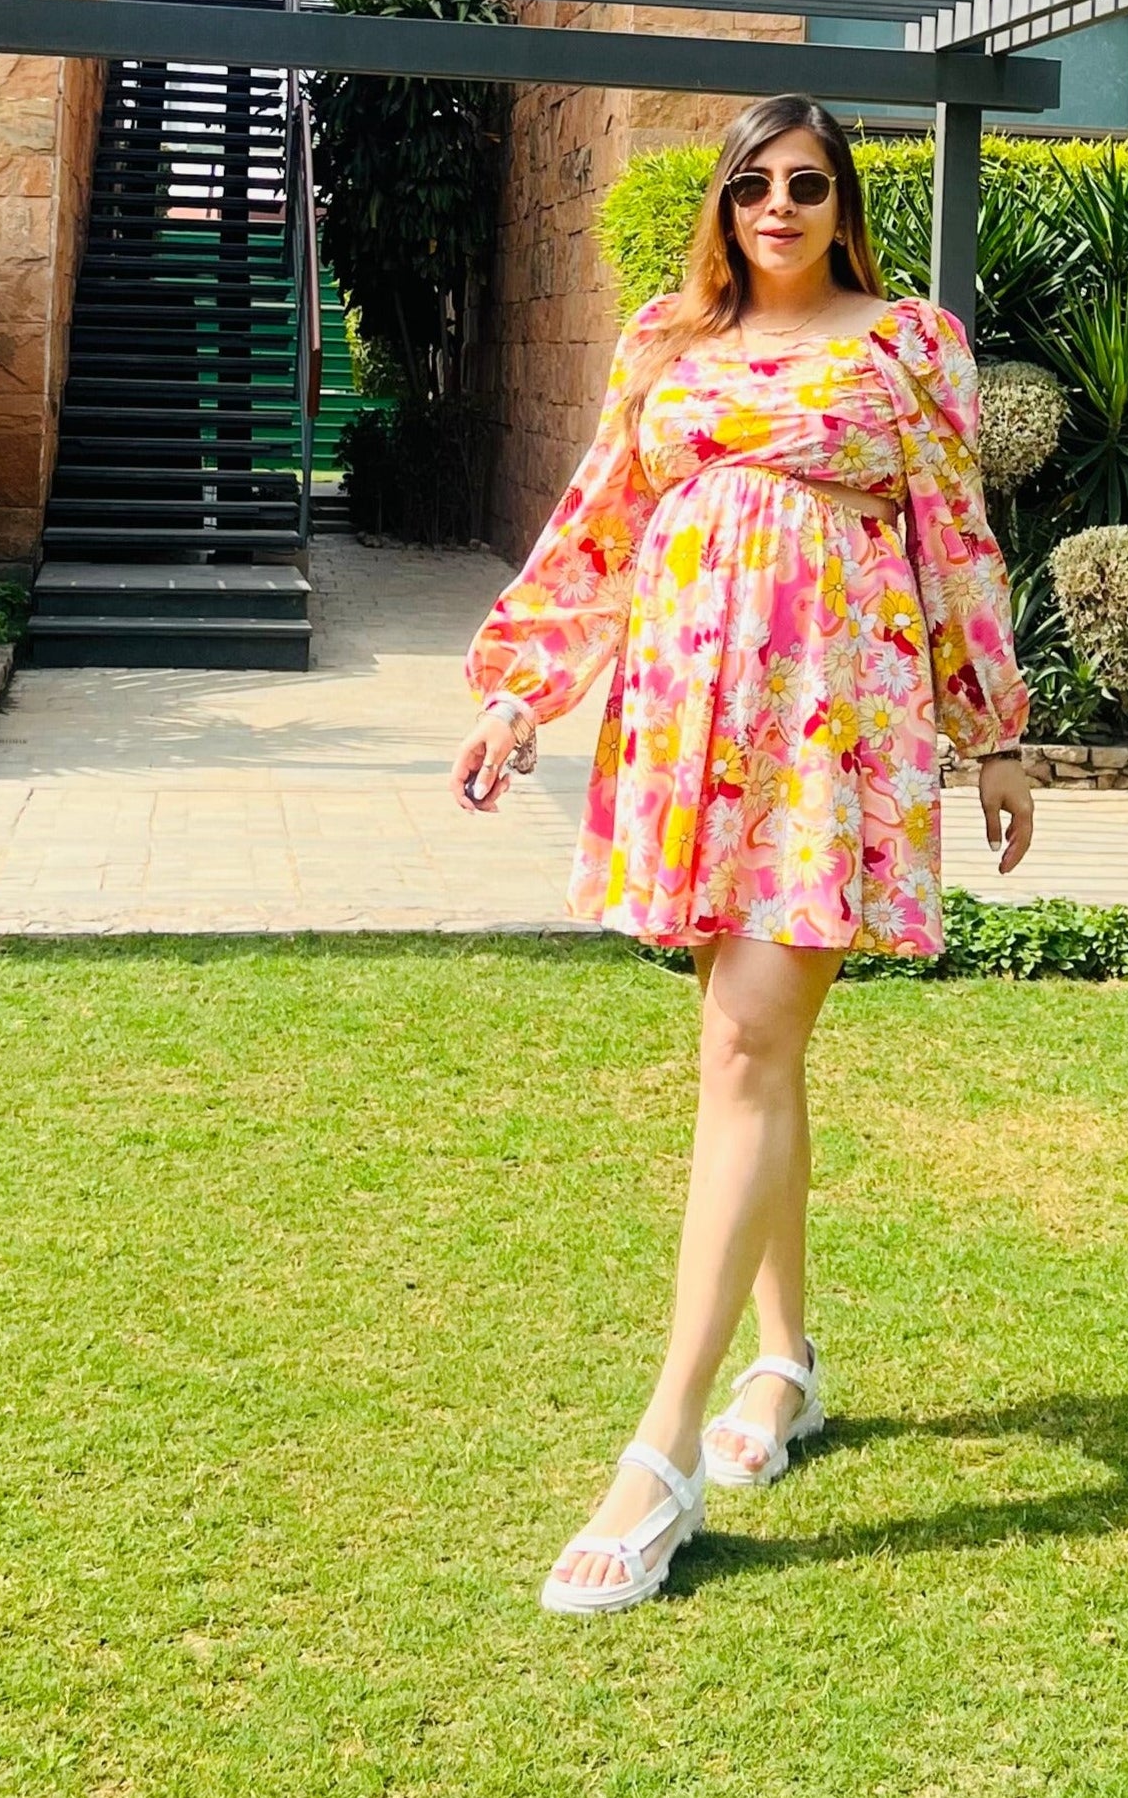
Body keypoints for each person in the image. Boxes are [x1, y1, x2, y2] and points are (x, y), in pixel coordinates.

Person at [451, 92, 1034, 1615]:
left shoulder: (906, 344)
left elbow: (955, 539)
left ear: (842, 202)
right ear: (720, 203)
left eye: (807, 183)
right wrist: (522, 695)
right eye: (753, 184)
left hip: (835, 732)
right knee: (752, 1052)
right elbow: (598, 527)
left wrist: (995, 730)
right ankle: (783, 1365)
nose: (778, 205)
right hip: (688, 727)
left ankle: (660, 1453)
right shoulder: (666, 344)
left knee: (744, 1048)